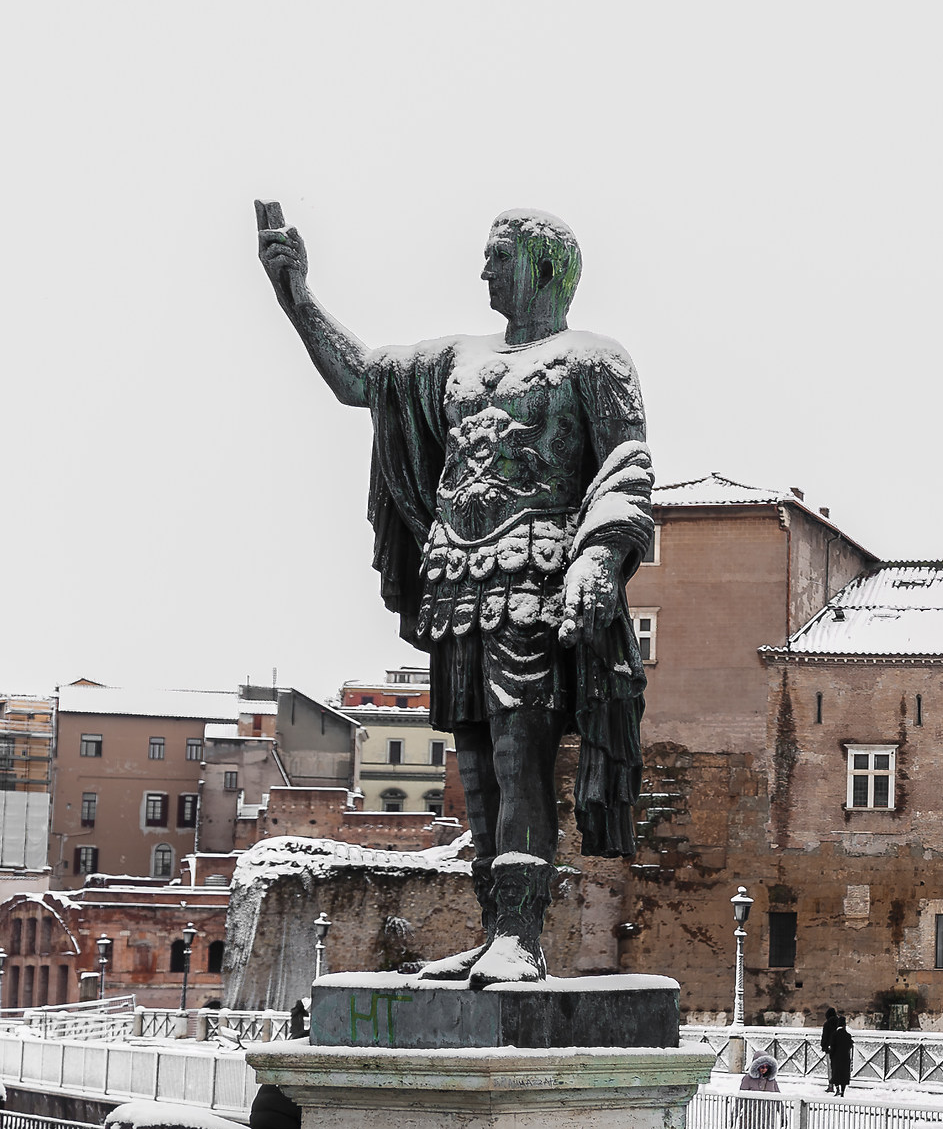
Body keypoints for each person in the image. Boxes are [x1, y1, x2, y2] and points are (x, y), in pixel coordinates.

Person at [256, 202, 653, 987]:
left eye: (495, 257)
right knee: (472, 764)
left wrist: (601, 556)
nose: (482, 272)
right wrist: (297, 299)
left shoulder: (592, 362)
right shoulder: (451, 362)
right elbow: (361, 380)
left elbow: (630, 464)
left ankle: (522, 934)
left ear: (541, 266)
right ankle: (492, 930)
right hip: (460, 580)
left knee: (520, 751)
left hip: (537, 577)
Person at [736, 1055, 781, 1129]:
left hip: (767, 1114)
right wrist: (734, 1114)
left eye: (766, 1067)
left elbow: (778, 1098)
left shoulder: (772, 1080)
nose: (764, 1069)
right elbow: (741, 1098)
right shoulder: (748, 1079)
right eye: (762, 1067)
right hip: (753, 1114)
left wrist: (783, 1116)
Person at [823, 1009, 854, 1097]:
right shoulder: (848, 1035)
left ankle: (835, 1089)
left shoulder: (833, 1033)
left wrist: (827, 1049)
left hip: (836, 1057)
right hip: (845, 1057)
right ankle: (843, 1091)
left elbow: (830, 1043)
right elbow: (850, 1045)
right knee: (844, 1075)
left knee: (834, 1072)